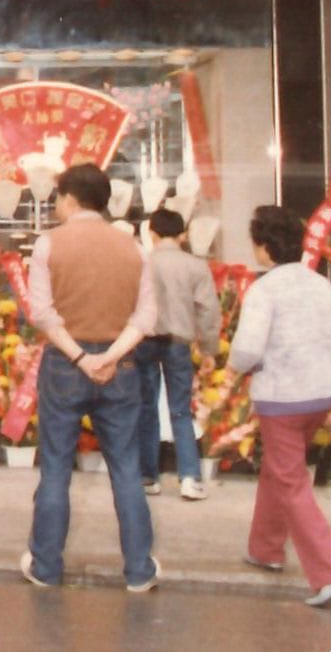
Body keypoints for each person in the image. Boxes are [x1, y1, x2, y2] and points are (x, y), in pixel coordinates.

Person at [20, 163, 158, 593]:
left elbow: (41, 313)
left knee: (57, 469)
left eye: (59, 198)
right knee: (126, 470)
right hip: (121, 367)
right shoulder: (133, 248)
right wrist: (110, 356)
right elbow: (147, 317)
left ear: (69, 199)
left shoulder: (49, 244)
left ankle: (46, 565)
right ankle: (138, 570)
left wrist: (82, 357)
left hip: (65, 363)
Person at [231, 205, 331, 607]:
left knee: (290, 480)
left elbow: (248, 348)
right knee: (279, 471)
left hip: (282, 397)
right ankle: (264, 548)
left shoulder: (264, 290)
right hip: (320, 394)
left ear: (264, 247)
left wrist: (234, 369)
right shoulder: (322, 286)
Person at [135, 208, 221, 501]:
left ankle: (148, 476)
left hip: (144, 339)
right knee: (181, 409)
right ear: (183, 235)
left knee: (146, 408)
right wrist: (209, 348)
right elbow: (208, 311)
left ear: (152, 233)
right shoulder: (196, 266)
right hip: (179, 342)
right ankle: (189, 477)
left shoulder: (142, 263)